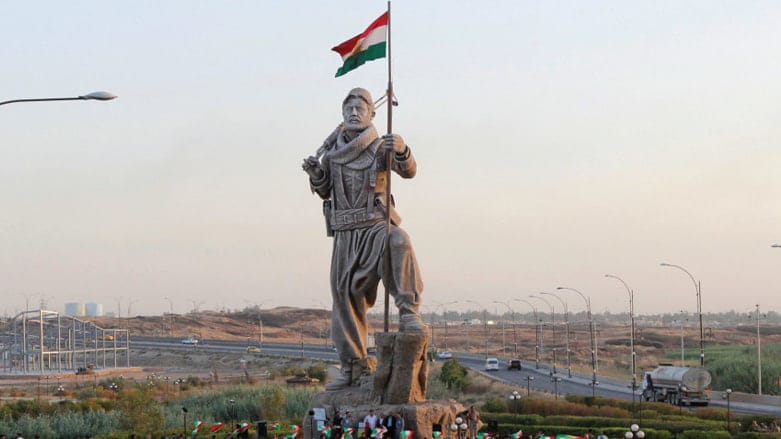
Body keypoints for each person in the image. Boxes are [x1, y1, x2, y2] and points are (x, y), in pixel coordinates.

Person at [302, 87, 426, 390]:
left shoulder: (380, 146)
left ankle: (409, 312)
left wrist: (401, 149)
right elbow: (326, 190)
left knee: (400, 241)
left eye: (360, 108)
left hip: (375, 225)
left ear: (372, 113)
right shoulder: (332, 153)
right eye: (349, 109)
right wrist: (316, 173)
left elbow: (408, 171)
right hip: (346, 233)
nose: (354, 113)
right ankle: (353, 367)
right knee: (345, 298)